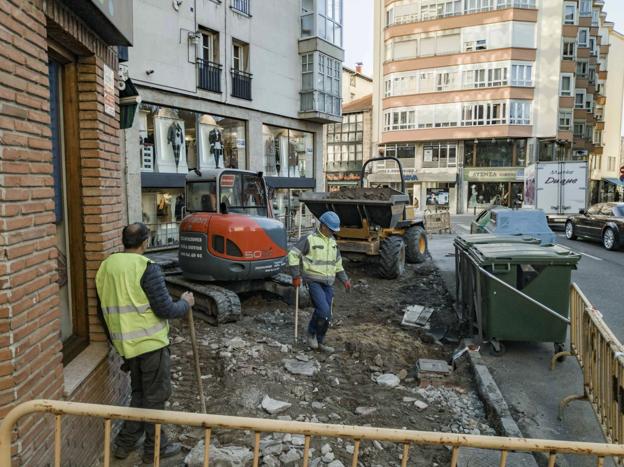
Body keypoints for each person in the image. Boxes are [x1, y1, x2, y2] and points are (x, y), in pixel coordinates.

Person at [96, 223, 195, 464]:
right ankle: (155, 449)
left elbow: (102, 311)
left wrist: (116, 341)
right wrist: (185, 303)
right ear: (145, 242)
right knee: (156, 397)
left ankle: (124, 443)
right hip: (150, 345)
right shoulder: (146, 268)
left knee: (140, 395)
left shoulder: (106, 267)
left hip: (126, 346)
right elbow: (165, 309)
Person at [288, 211, 351, 352]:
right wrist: (295, 276)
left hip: (328, 282)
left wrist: (345, 280)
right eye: (331, 230)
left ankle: (320, 340)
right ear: (323, 226)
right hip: (313, 281)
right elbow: (292, 255)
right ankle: (311, 333)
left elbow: (338, 264)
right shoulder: (309, 239)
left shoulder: (333, 243)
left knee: (327, 314)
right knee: (323, 311)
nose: (333, 233)